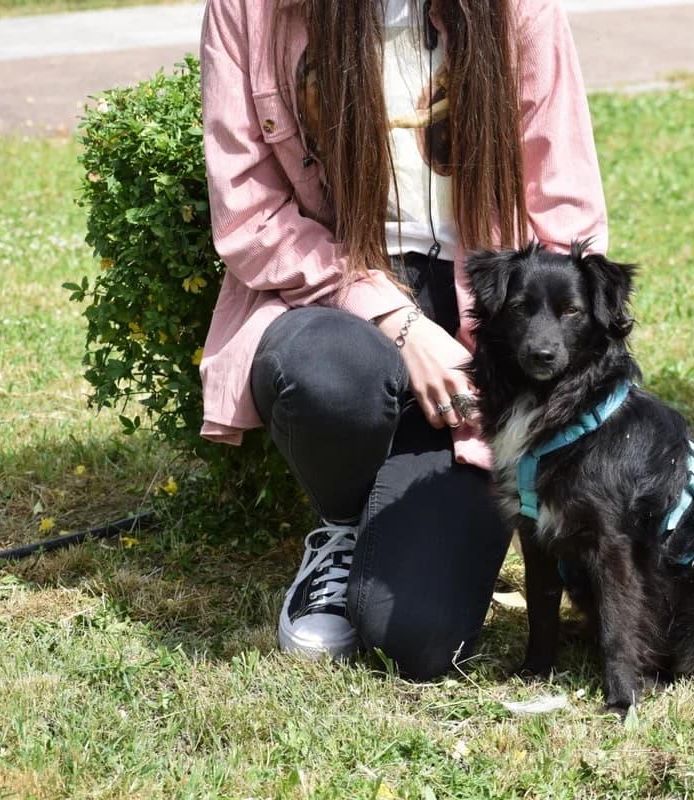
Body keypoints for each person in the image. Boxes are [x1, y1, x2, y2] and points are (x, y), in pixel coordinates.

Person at [198, 0, 607, 679]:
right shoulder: (250, 9)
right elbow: (249, 214)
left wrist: (521, 371)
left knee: (415, 639)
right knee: (328, 374)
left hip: (485, 313)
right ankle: (341, 522)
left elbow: (564, 209)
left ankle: (408, 515)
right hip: (331, 292)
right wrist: (399, 320)